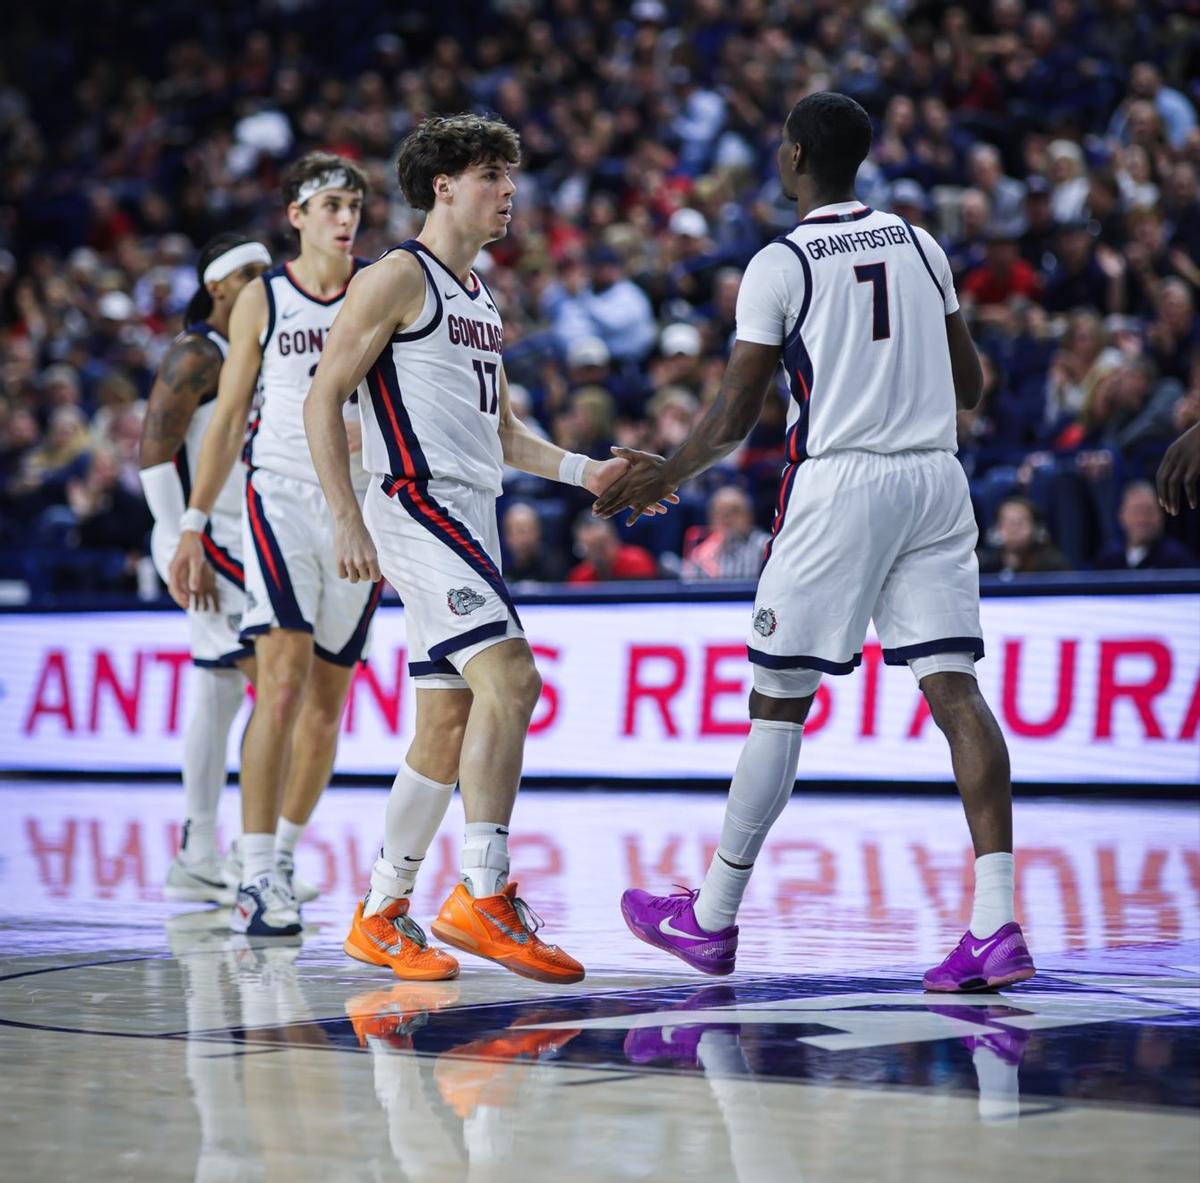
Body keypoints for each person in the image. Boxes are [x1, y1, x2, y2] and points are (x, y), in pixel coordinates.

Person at [596, 92, 1035, 993]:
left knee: (778, 699)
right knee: (956, 693)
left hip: (841, 482)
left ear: (794, 156)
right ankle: (997, 924)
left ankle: (711, 919)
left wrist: (664, 474)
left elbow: (734, 411)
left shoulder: (781, 260)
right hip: (936, 479)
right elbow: (972, 385)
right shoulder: (922, 243)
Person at [302, 114, 671, 983]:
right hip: (413, 501)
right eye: (492, 175)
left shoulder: (481, 298)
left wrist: (588, 471)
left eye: (511, 175)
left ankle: (381, 910)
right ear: (444, 186)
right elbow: (324, 400)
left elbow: (502, 433)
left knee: (447, 717)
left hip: (473, 513)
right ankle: (483, 891)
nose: (509, 191)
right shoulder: (397, 276)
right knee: (512, 677)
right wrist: (347, 516)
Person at [169, 154, 381, 937]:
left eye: (353, 203)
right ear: (295, 214)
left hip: (358, 507)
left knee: (327, 705)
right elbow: (226, 420)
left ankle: (284, 856)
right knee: (281, 683)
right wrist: (191, 523)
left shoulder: (378, 285)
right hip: (280, 497)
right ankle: (255, 871)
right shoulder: (266, 296)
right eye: (329, 202)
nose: (344, 216)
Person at [138, 233, 271, 904]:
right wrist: (174, 542)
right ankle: (256, 855)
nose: (263, 280)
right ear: (217, 285)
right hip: (208, 544)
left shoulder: (257, 352)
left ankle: (200, 852)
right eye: (250, 272)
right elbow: (154, 454)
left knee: (217, 700)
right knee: (276, 690)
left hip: (247, 541)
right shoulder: (197, 353)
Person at [1093, 481, 1196, 569]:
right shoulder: (1108, 559)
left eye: (1149, 511)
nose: (1142, 519)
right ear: (1121, 516)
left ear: (1161, 515)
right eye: (1136, 511)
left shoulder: (1177, 559)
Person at [682, 485, 770, 581]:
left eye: (734, 511)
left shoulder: (766, 546)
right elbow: (691, 590)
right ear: (711, 518)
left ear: (749, 516)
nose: (726, 517)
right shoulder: (700, 555)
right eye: (720, 511)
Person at [977, 495, 1072, 576]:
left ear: (1036, 529)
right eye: (1007, 522)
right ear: (996, 528)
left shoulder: (1054, 568)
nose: (1013, 529)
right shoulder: (985, 568)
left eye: (1020, 522)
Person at [567, 515, 659, 583]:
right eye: (591, 547)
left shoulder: (636, 561)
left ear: (614, 539)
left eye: (602, 544)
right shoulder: (580, 577)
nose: (598, 553)